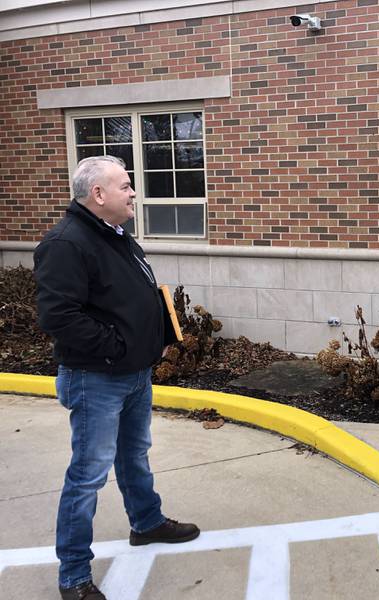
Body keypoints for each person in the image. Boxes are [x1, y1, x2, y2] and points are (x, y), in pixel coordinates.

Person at [35, 156, 200, 600]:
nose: (133, 193)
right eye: (125, 186)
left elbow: (142, 292)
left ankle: (146, 522)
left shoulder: (116, 235)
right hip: (96, 379)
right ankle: (73, 576)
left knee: (134, 455)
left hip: (132, 374)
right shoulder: (66, 244)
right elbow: (58, 317)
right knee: (87, 475)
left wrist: (158, 337)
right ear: (98, 195)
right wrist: (119, 347)